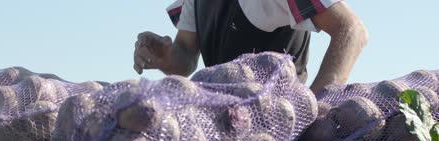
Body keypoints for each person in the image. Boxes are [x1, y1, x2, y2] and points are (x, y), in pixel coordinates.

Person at [133, 0, 368, 94]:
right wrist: (165, 58)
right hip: (227, 123)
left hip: (278, 124)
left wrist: (317, 103)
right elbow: (184, 57)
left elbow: (351, 30)